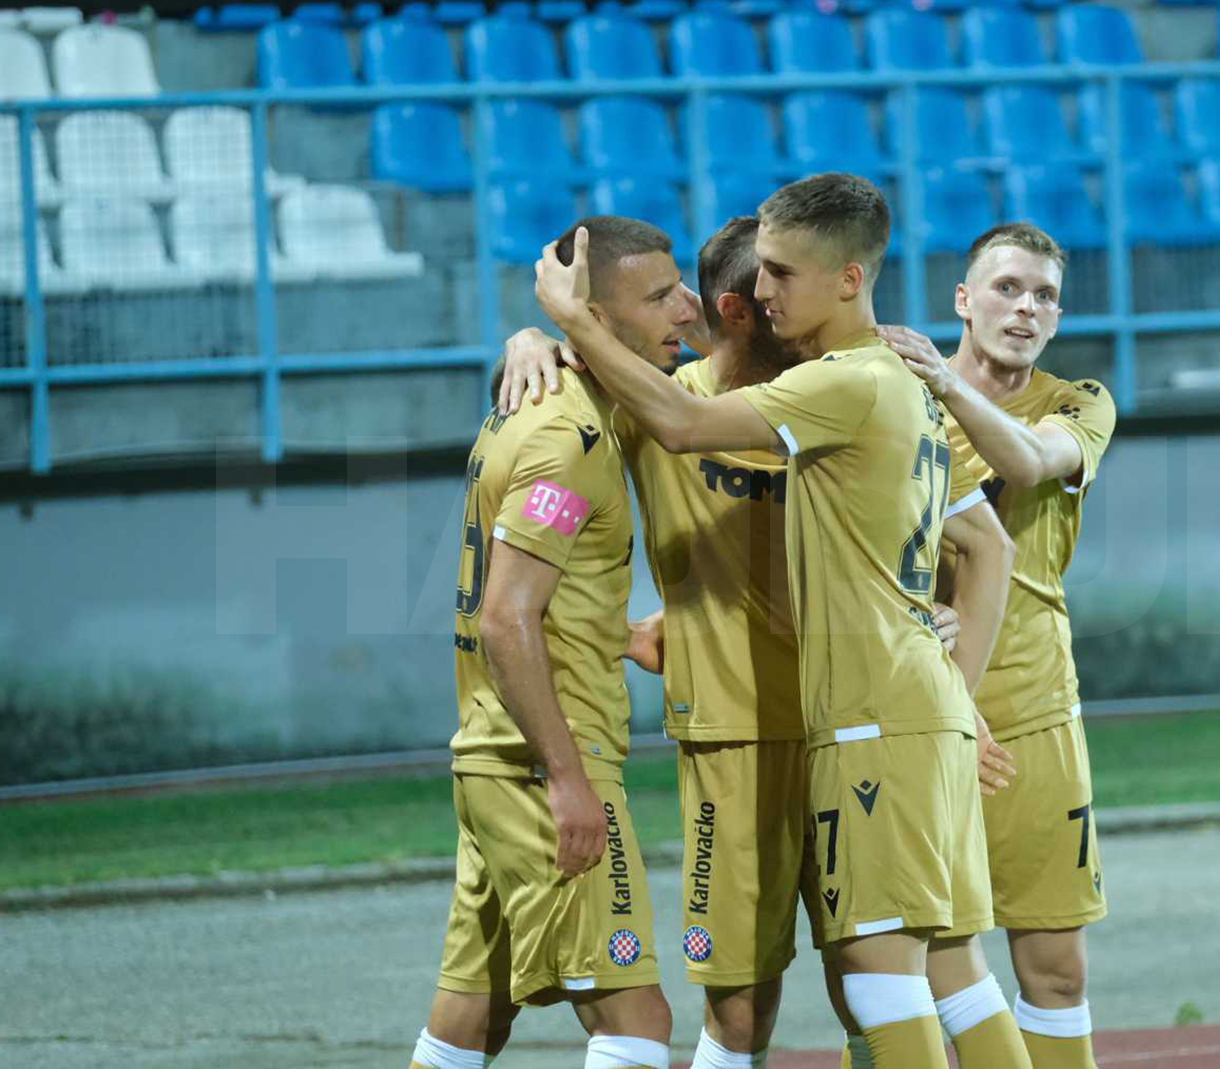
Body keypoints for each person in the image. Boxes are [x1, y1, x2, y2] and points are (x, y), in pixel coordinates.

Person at [533, 173, 1029, 1069]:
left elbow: (989, 549)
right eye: (756, 281)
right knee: (890, 979)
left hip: (869, 723)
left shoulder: (839, 389)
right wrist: (536, 339)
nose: (757, 298)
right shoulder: (870, 385)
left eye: (779, 276)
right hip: (770, 735)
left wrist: (958, 696)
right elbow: (627, 419)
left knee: (882, 977)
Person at [407, 216, 699, 1069]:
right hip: (543, 765)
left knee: (470, 1021)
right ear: (596, 321)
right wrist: (569, 781)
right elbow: (506, 616)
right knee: (634, 1019)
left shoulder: (545, 400)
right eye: (658, 297)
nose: (685, 307)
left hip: (497, 758)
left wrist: (617, 633)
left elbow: (538, 598)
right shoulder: (565, 437)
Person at [880, 222, 1117, 1069]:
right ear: (963, 300)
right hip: (918, 712)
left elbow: (1022, 463)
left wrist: (945, 381)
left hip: (1033, 712)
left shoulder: (1077, 401)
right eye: (1008, 287)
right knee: (902, 969)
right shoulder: (889, 395)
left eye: (1044, 295)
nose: (1025, 307)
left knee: (1054, 971)